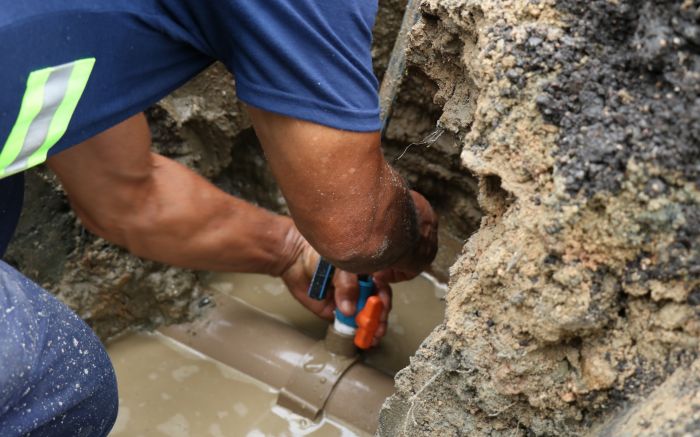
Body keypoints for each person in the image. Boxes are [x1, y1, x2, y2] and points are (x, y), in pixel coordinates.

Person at [0, 1, 438, 435]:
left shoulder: (65, 28)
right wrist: (406, 230)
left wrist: (288, 252)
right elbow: (359, 233)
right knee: (57, 387)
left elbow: (125, 194)